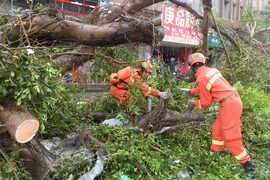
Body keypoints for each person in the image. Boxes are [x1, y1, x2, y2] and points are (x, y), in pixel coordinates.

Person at [178, 53, 255, 179]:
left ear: (192, 68)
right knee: (217, 130)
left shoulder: (201, 78)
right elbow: (208, 87)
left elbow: (205, 102)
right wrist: (190, 91)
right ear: (203, 63)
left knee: (231, 138)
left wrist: (194, 103)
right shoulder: (211, 71)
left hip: (230, 105)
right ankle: (215, 152)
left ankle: (248, 166)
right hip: (231, 102)